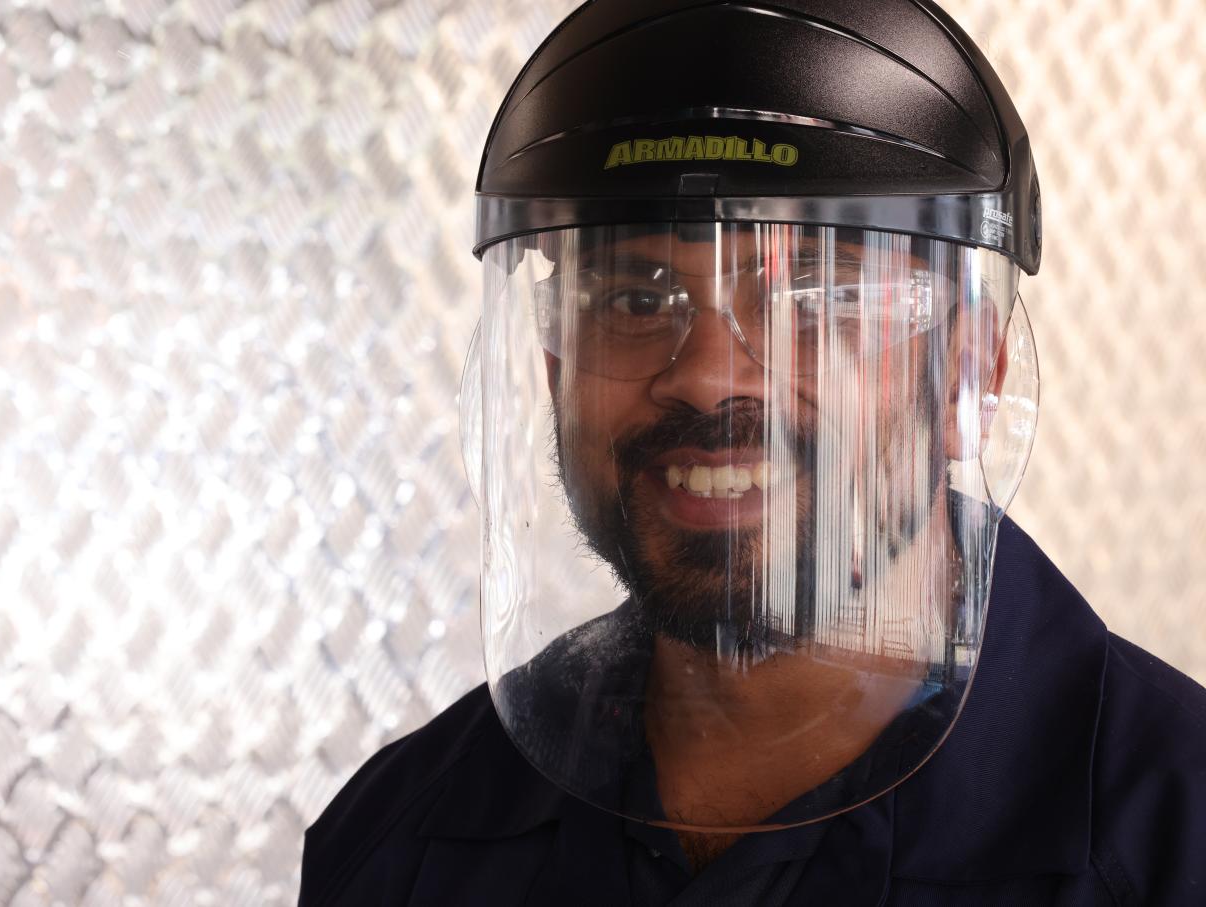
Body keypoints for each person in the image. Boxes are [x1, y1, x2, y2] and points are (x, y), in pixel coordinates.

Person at [299, 1, 1206, 903]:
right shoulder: (398, 839)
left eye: (815, 296)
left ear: (970, 367)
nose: (704, 375)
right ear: (551, 365)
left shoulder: (1175, 836)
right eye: (634, 298)